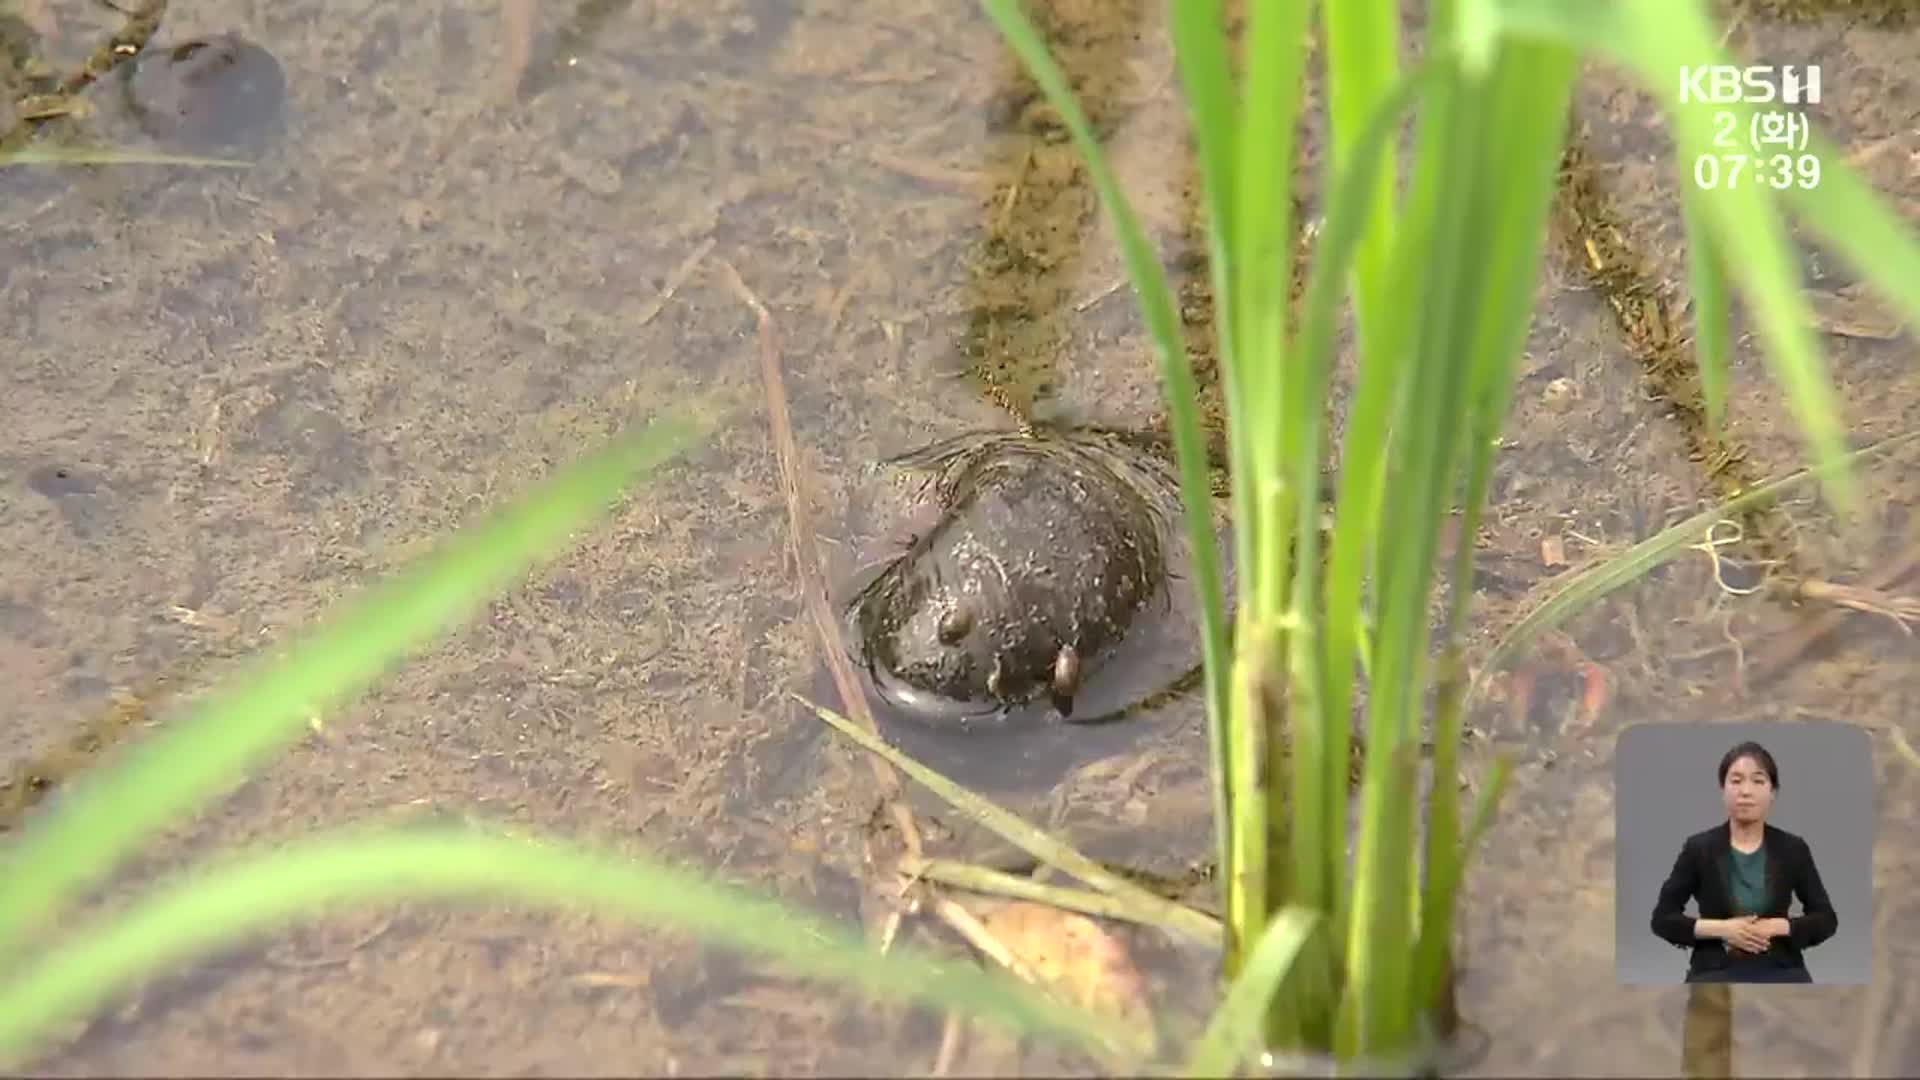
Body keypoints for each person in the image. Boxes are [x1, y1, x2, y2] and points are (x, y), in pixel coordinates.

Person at [1650, 740, 1838, 983]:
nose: (1745, 791)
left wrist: (1778, 927)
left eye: (1758, 781)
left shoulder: (1793, 849)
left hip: (1781, 969)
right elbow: (1663, 919)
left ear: (1772, 792)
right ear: (1723, 790)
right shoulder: (1699, 848)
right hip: (1714, 971)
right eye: (1736, 781)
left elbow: (1826, 919)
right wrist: (1724, 930)